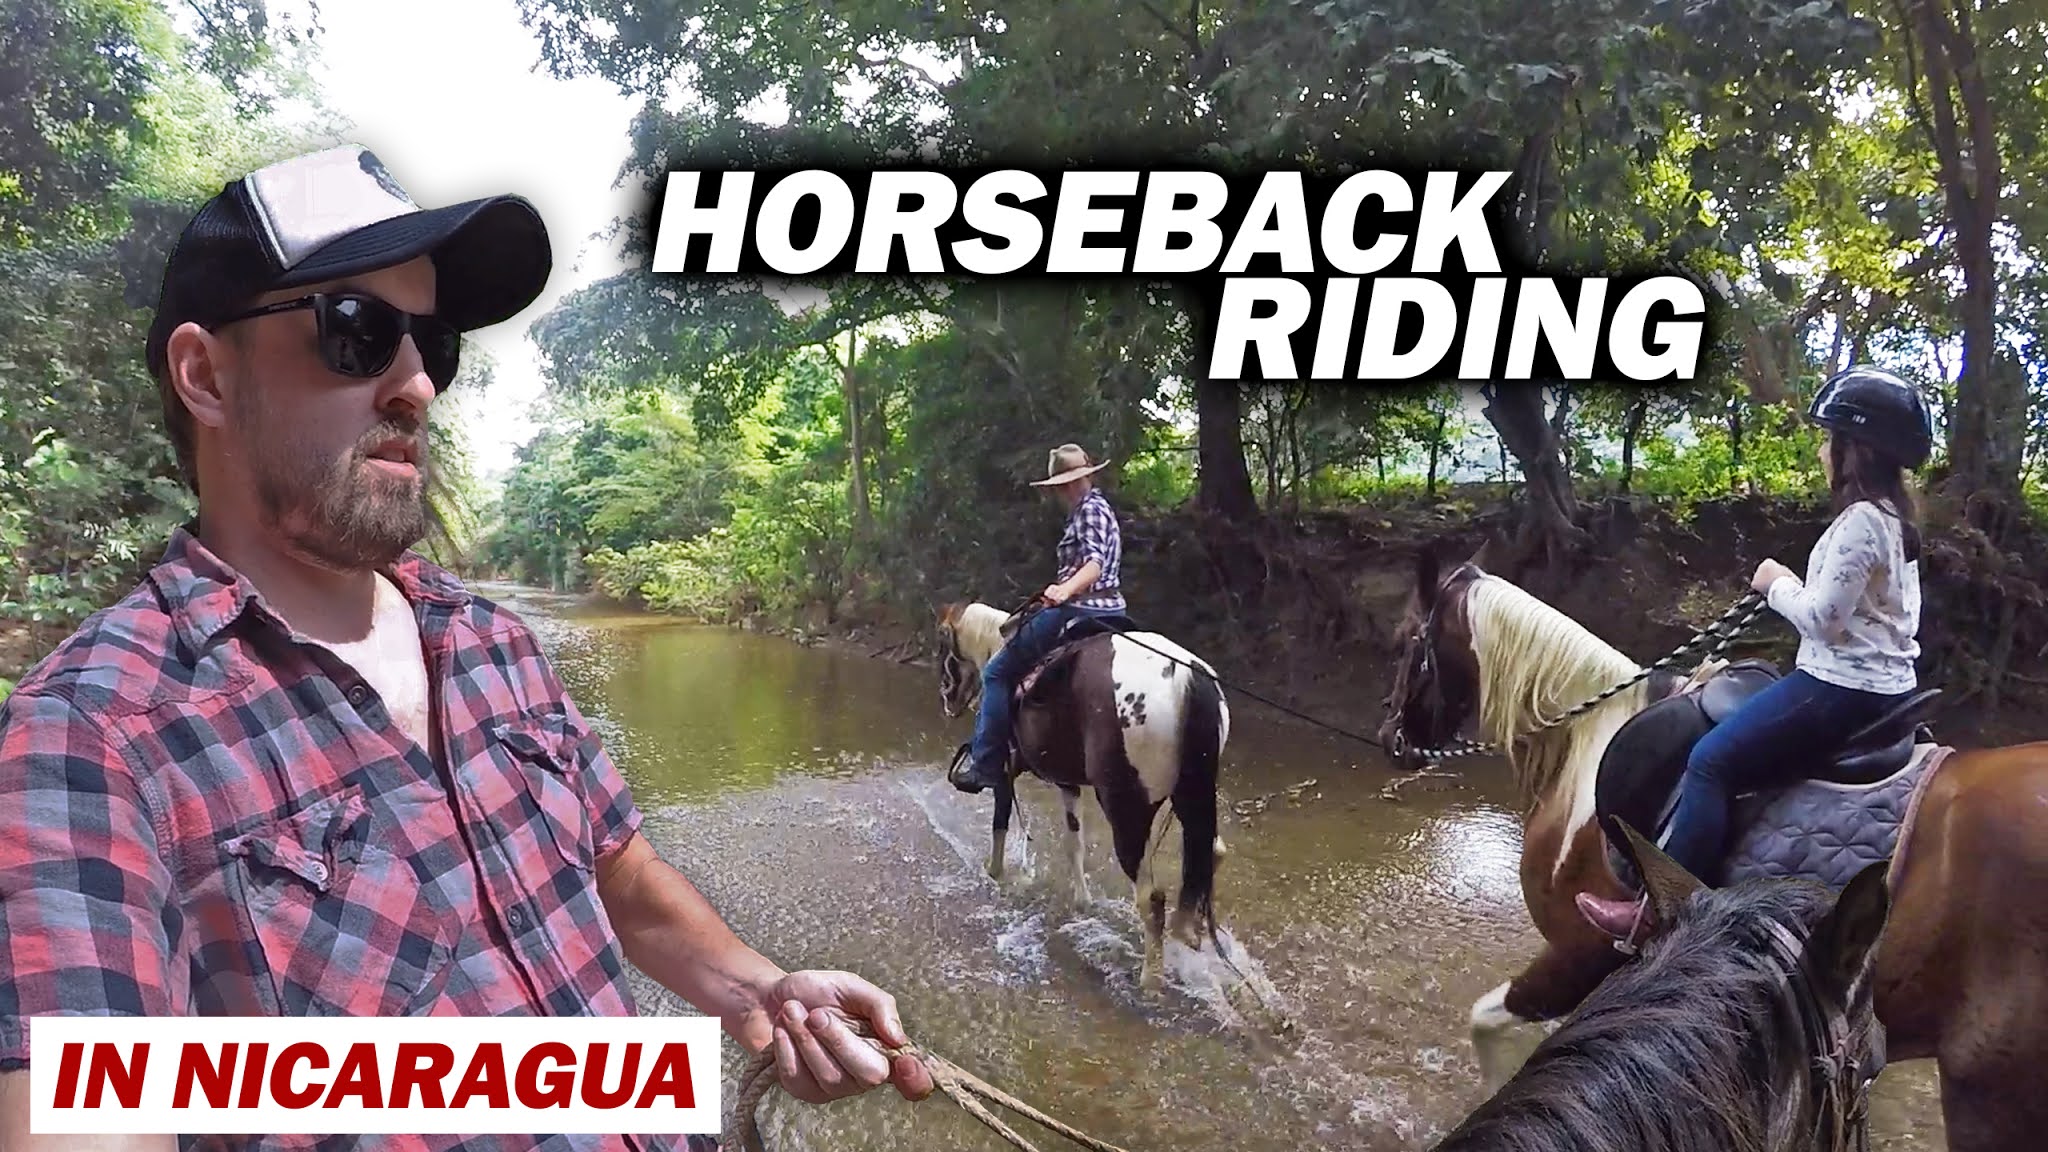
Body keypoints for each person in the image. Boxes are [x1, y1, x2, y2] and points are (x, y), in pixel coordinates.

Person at [0, 145, 932, 1152]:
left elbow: (619, 873)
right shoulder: (89, 738)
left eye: (433, 345)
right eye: (357, 332)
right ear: (206, 376)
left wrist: (759, 990)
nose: (416, 386)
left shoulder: (487, 640)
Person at [1579, 365, 1933, 940]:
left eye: (1831, 440)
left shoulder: (1860, 523)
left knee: (1711, 761)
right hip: (1888, 687)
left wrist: (1774, 584)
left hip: (1841, 687)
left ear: (1857, 450)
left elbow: (1824, 621)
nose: (1823, 451)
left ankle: (1662, 911)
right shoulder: (1897, 520)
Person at [949, 444, 1129, 794]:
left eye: (1074, 480)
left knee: (996, 672)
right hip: (1113, 609)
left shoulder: (1089, 511)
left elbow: (1094, 564)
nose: (1070, 488)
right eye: (1065, 483)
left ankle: (984, 764)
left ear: (1087, 475)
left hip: (1082, 608)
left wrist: (1066, 590)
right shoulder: (1096, 508)